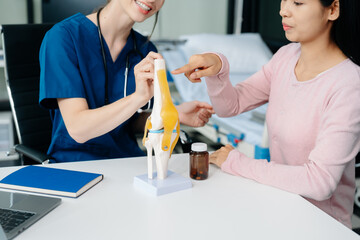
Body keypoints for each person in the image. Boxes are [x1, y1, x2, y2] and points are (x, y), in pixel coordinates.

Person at [172, 0, 360, 228]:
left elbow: (320, 182)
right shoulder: (286, 57)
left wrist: (237, 162)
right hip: (280, 207)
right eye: (284, 0)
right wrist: (217, 67)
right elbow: (230, 106)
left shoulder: (350, 83)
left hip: (322, 225)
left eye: (298, 3)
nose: (283, 10)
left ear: (333, 9)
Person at [39, 0, 214, 163]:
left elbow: (130, 122)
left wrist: (174, 114)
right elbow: (78, 129)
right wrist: (138, 97)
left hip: (126, 161)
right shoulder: (64, 37)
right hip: (76, 163)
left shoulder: (145, 50)